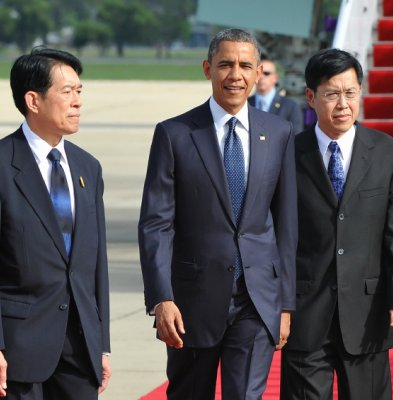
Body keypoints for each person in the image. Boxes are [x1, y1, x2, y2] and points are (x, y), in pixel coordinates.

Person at [139, 28, 297, 399]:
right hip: (191, 302)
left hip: (256, 301)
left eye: (245, 65)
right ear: (207, 68)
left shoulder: (279, 133)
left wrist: (286, 304)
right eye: (225, 64)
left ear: (259, 73)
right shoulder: (174, 134)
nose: (235, 75)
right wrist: (161, 299)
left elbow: (287, 227)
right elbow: (155, 224)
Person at [280, 48, 393, 399]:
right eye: (332, 94)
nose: (343, 103)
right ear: (310, 97)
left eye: (351, 93)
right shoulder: (287, 152)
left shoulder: (388, 152)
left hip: (367, 313)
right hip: (305, 313)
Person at [0, 47, 111, 399]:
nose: (77, 102)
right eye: (67, 92)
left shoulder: (87, 168)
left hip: (79, 350)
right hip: (18, 350)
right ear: (33, 100)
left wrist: (102, 343)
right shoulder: (3, 165)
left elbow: (96, 266)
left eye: (80, 92)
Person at [248, 57, 304, 133]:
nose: (261, 77)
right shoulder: (245, 104)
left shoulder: (291, 107)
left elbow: (296, 138)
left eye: (266, 73)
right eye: (258, 73)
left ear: (275, 78)